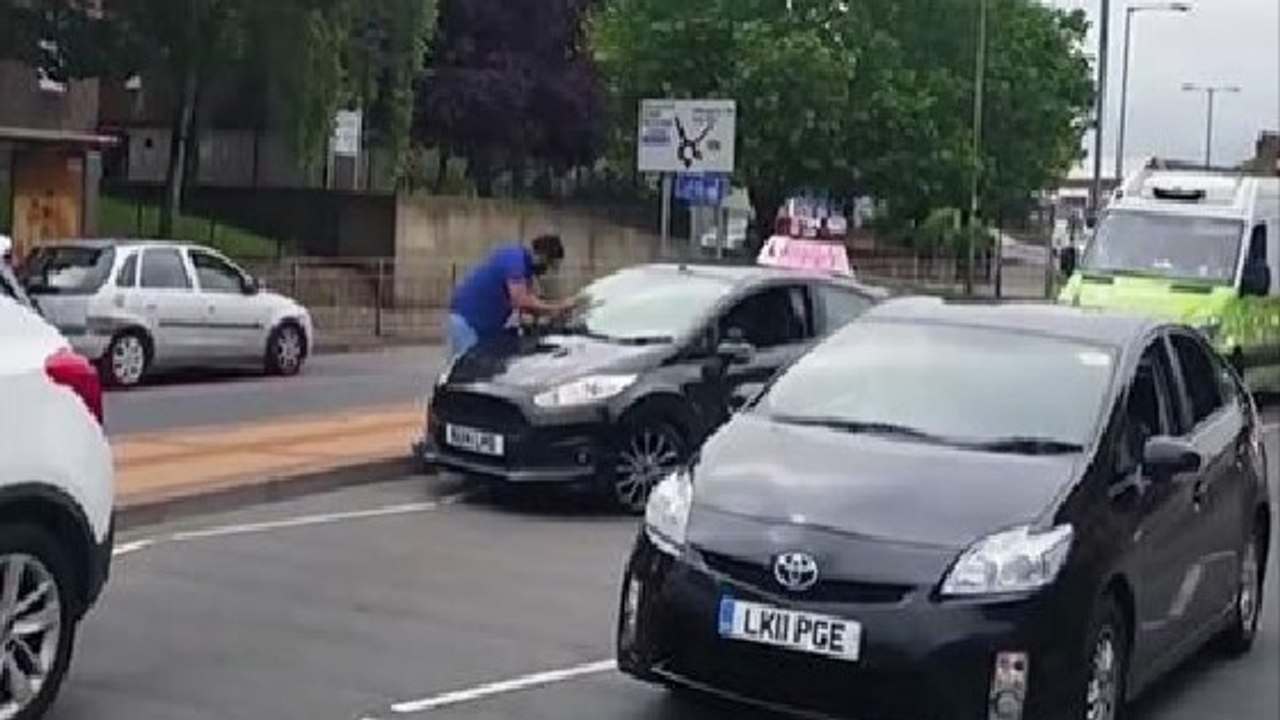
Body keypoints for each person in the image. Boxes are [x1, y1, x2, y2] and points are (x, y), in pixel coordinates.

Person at [446, 234, 575, 359]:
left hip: (484, 326)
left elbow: (531, 304)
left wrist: (554, 312)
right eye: (550, 265)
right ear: (542, 256)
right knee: (469, 369)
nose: (548, 270)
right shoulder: (515, 260)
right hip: (469, 322)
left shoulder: (525, 269)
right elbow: (521, 301)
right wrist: (559, 306)